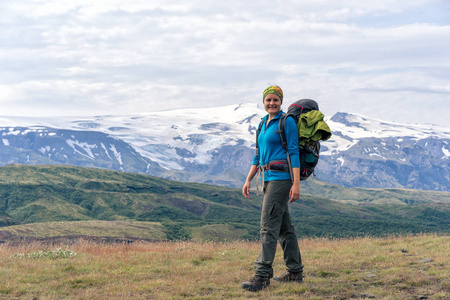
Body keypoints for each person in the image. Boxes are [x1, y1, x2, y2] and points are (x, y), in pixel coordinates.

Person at [241, 85, 303, 292]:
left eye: (275, 100)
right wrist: (248, 179)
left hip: (282, 178)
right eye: (268, 100)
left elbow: (294, 152)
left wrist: (295, 183)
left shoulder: (287, 122)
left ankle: (262, 275)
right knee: (284, 227)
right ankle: (295, 271)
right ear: (263, 102)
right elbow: (258, 156)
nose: (271, 103)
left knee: (268, 225)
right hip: (267, 177)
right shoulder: (262, 124)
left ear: (281, 101)